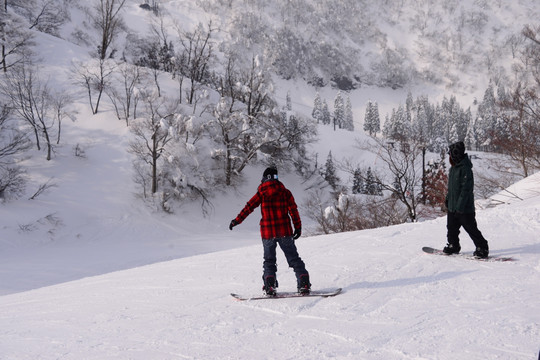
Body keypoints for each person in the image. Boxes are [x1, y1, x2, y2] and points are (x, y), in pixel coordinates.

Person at [229, 167, 311, 295]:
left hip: (268, 233)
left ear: (264, 178)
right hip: (285, 231)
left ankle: (269, 286)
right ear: (276, 177)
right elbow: (293, 210)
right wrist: (298, 227)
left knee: (269, 261)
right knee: (294, 259)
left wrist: (236, 221)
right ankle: (304, 283)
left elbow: (248, 208)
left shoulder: (261, 193)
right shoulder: (285, 192)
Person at [443, 141, 489, 258]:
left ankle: (482, 247)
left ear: (455, 154)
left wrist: (460, 207)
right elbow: (451, 188)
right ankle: (453, 245)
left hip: (465, 208)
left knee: (471, 228)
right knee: (451, 228)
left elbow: (466, 190)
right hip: (453, 207)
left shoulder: (466, 169)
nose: (449, 157)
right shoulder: (453, 169)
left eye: (451, 154)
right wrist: (448, 199)